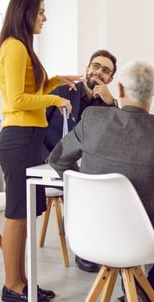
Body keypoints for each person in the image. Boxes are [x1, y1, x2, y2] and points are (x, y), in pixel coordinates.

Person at [48, 60, 154, 301]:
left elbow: (58, 160)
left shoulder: (92, 119)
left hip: (87, 231)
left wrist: (83, 185)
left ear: (120, 90)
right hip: (140, 239)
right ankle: (142, 296)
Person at [0, 0, 81, 302]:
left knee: (26, 214)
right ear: (26, 13)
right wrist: (56, 98)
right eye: (41, 12)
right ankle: (11, 287)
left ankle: (22, 281)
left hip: (28, 138)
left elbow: (31, 88)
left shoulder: (22, 47)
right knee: (17, 215)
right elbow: (16, 99)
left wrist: (57, 79)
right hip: (18, 139)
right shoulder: (15, 47)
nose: (45, 17)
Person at [43, 49, 118, 273]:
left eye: (106, 70)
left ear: (111, 79)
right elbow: (39, 126)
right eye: (95, 66)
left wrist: (111, 102)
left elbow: (119, 134)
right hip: (52, 160)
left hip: (87, 166)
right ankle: (84, 249)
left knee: (105, 186)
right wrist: (43, 155)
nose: (99, 72)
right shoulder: (61, 91)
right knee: (86, 187)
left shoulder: (107, 103)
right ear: (87, 69)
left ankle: (97, 245)